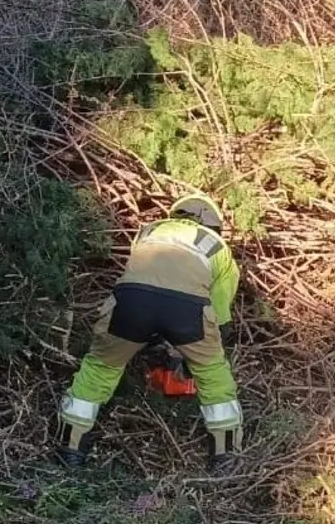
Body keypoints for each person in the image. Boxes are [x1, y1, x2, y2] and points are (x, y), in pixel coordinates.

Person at [57, 194, 244, 470]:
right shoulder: (217, 246)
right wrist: (199, 351)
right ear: (214, 223)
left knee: (100, 367)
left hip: (130, 300)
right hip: (187, 308)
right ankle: (225, 457)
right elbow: (219, 310)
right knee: (213, 373)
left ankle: (70, 449)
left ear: (176, 214)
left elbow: (145, 280)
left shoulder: (150, 231)